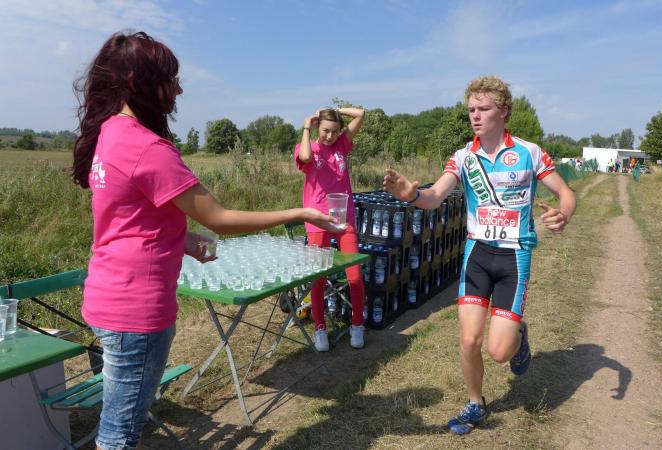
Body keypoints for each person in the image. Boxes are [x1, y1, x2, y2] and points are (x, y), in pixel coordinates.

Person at [71, 31, 341, 450]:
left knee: (122, 425)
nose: (178, 90)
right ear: (139, 81)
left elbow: (130, 219)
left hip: (106, 296)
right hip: (136, 310)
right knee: (119, 436)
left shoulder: (109, 134)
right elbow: (220, 219)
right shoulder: (147, 147)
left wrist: (187, 241)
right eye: (170, 80)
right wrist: (301, 212)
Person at [383, 76, 576, 435]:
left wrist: (563, 213)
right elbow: (434, 197)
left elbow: (566, 193)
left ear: (503, 111)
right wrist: (412, 195)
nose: (475, 115)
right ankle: (475, 403)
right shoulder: (463, 157)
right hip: (477, 255)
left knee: (499, 352)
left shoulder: (529, 152)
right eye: (471, 109)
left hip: (514, 257)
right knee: (469, 340)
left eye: (483, 108)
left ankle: (518, 334)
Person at [295, 107, 366, 351]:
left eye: (335, 131)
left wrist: (335, 110)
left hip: (344, 219)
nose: (330, 136)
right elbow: (305, 158)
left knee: (354, 275)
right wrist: (307, 125)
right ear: (317, 128)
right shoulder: (308, 147)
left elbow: (360, 114)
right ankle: (320, 328)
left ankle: (358, 324)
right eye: (326, 130)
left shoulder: (342, 146)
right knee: (319, 277)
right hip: (317, 218)